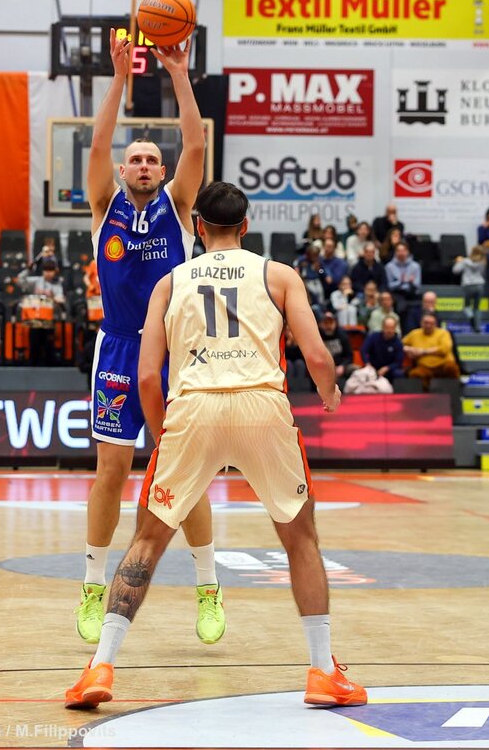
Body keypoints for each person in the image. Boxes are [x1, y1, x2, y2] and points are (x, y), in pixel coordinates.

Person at [65, 182, 366, 710]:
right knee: (301, 539)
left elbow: (147, 377)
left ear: (198, 227)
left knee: (147, 540)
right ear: (246, 226)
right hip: (261, 406)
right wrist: (329, 393)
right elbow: (318, 357)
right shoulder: (279, 275)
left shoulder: (170, 282)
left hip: (194, 407)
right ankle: (323, 672)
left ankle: (100, 666)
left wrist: (163, 433)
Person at [78, 30, 223, 646]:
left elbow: (196, 142)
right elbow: (98, 142)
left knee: (184, 473)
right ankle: (93, 585)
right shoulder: (103, 206)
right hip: (117, 347)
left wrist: (178, 73)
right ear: (122, 170)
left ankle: (208, 587)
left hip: (175, 352)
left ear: (161, 172)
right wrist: (119, 77)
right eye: (133, 159)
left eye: (150, 160)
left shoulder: (179, 207)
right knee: (112, 470)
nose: (141, 165)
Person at [17, 257, 66, 366]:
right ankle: (33, 364)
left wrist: (55, 298)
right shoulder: (36, 281)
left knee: (48, 344)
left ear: (55, 271)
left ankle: (49, 364)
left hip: (49, 321)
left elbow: (61, 298)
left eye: (51, 270)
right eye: (46, 270)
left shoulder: (57, 284)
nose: (48, 273)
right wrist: (28, 269)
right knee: (34, 343)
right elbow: (20, 280)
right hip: (34, 320)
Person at [403, 312, 460, 391]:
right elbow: (400, 345)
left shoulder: (443, 333)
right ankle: (425, 395)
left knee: (452, 368)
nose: (428, 325)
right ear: (421, 323)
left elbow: (444, 349)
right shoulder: (414, 334)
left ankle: (454, 392)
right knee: (415, 374)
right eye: (426, 323)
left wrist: (423, 352)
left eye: (431, 323)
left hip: (443, 365)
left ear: (436, 324)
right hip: (424, 367)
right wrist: (408, 349)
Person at [385, 241, 422, 331]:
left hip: (412, 293)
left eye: (403, 250)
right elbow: (389, 285)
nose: (401, 253)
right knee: (401, 306)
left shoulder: (415, 266)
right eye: (398, 251)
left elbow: (417, 285)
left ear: (407, 252)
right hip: (396, 294)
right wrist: (402, 281)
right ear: (395, 252)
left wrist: (405, 283)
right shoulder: (389, 266)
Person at [360, 317, 404, 383]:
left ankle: (394, 389)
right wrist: (367, 363)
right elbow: (364, 350)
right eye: (387, 328)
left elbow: (398, 362)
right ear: (382, 327)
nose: (389, 330)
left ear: (395, 328)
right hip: (372, 368)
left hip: (389, 370)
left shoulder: (398, 343)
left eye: (392, 328)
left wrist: (387, 368)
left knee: (398, 373)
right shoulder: (373, 336)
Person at [453, 247, 487, 332]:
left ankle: (471, 317)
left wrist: (459, 262)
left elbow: (455, 270)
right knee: (477, 307)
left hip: (468, 285)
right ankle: (477, 327)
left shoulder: (465, 261)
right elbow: (483, 273)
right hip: (480, 285)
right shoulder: (483, 262)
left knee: (466, 306)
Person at [319, 311, 358, 384]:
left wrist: (342, 366)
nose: (328, 326)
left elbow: (349, 356)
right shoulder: (317, 336)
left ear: (335, 323)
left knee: (355, 369)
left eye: (330, 323)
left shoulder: (342, 335)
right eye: (326, 323)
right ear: (321, 324)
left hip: (341, 365)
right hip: (323, 366)